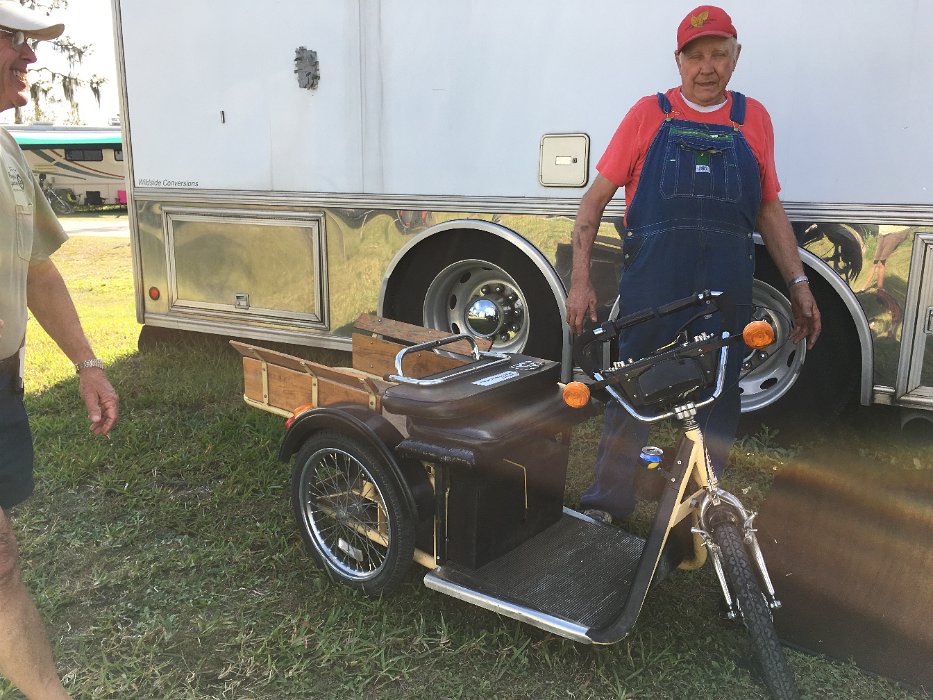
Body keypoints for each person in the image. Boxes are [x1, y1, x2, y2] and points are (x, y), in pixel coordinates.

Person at [565, 5, 820, 524]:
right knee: (630, 387)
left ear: (735, 58)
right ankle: (606, 502)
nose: (708, 67)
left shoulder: (755, 119)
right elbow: (592, 204)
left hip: (726, 285)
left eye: (719, 55)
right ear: (678, 62)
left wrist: (798, 281)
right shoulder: (647, 113)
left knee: (719, 395)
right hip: (654, 281)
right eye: (696, 56)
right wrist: (580, 280)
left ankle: (701, 506)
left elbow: (768, 207)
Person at [0, 2, 119, 697]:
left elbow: (37, 270)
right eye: (14, 40)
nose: (31, 57)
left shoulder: (7, 152)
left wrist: (88, 363)